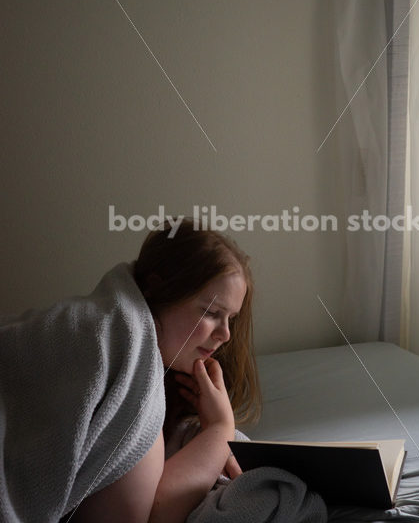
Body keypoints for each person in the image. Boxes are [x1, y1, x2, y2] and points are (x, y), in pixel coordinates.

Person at [0, 218, 261, 523]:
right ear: (157, 289)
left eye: (231, 318)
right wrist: (219, 429)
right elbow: (148, 517)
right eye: (213, 313)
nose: (226, 335)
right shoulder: (128, 359)